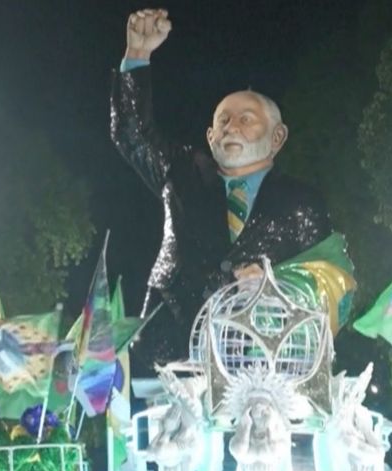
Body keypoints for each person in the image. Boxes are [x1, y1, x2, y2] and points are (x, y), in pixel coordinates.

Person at [109, 8, 349, 365]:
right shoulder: (181, 172)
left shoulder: (302, 202)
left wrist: (274, 287)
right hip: (172, 350)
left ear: (277, 137)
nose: (231, 127)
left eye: (246, 119)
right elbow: (132, 135)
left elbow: (333, 282)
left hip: (262, 365)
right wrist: (137, 56)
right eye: (222, 120)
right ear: (209, 136)